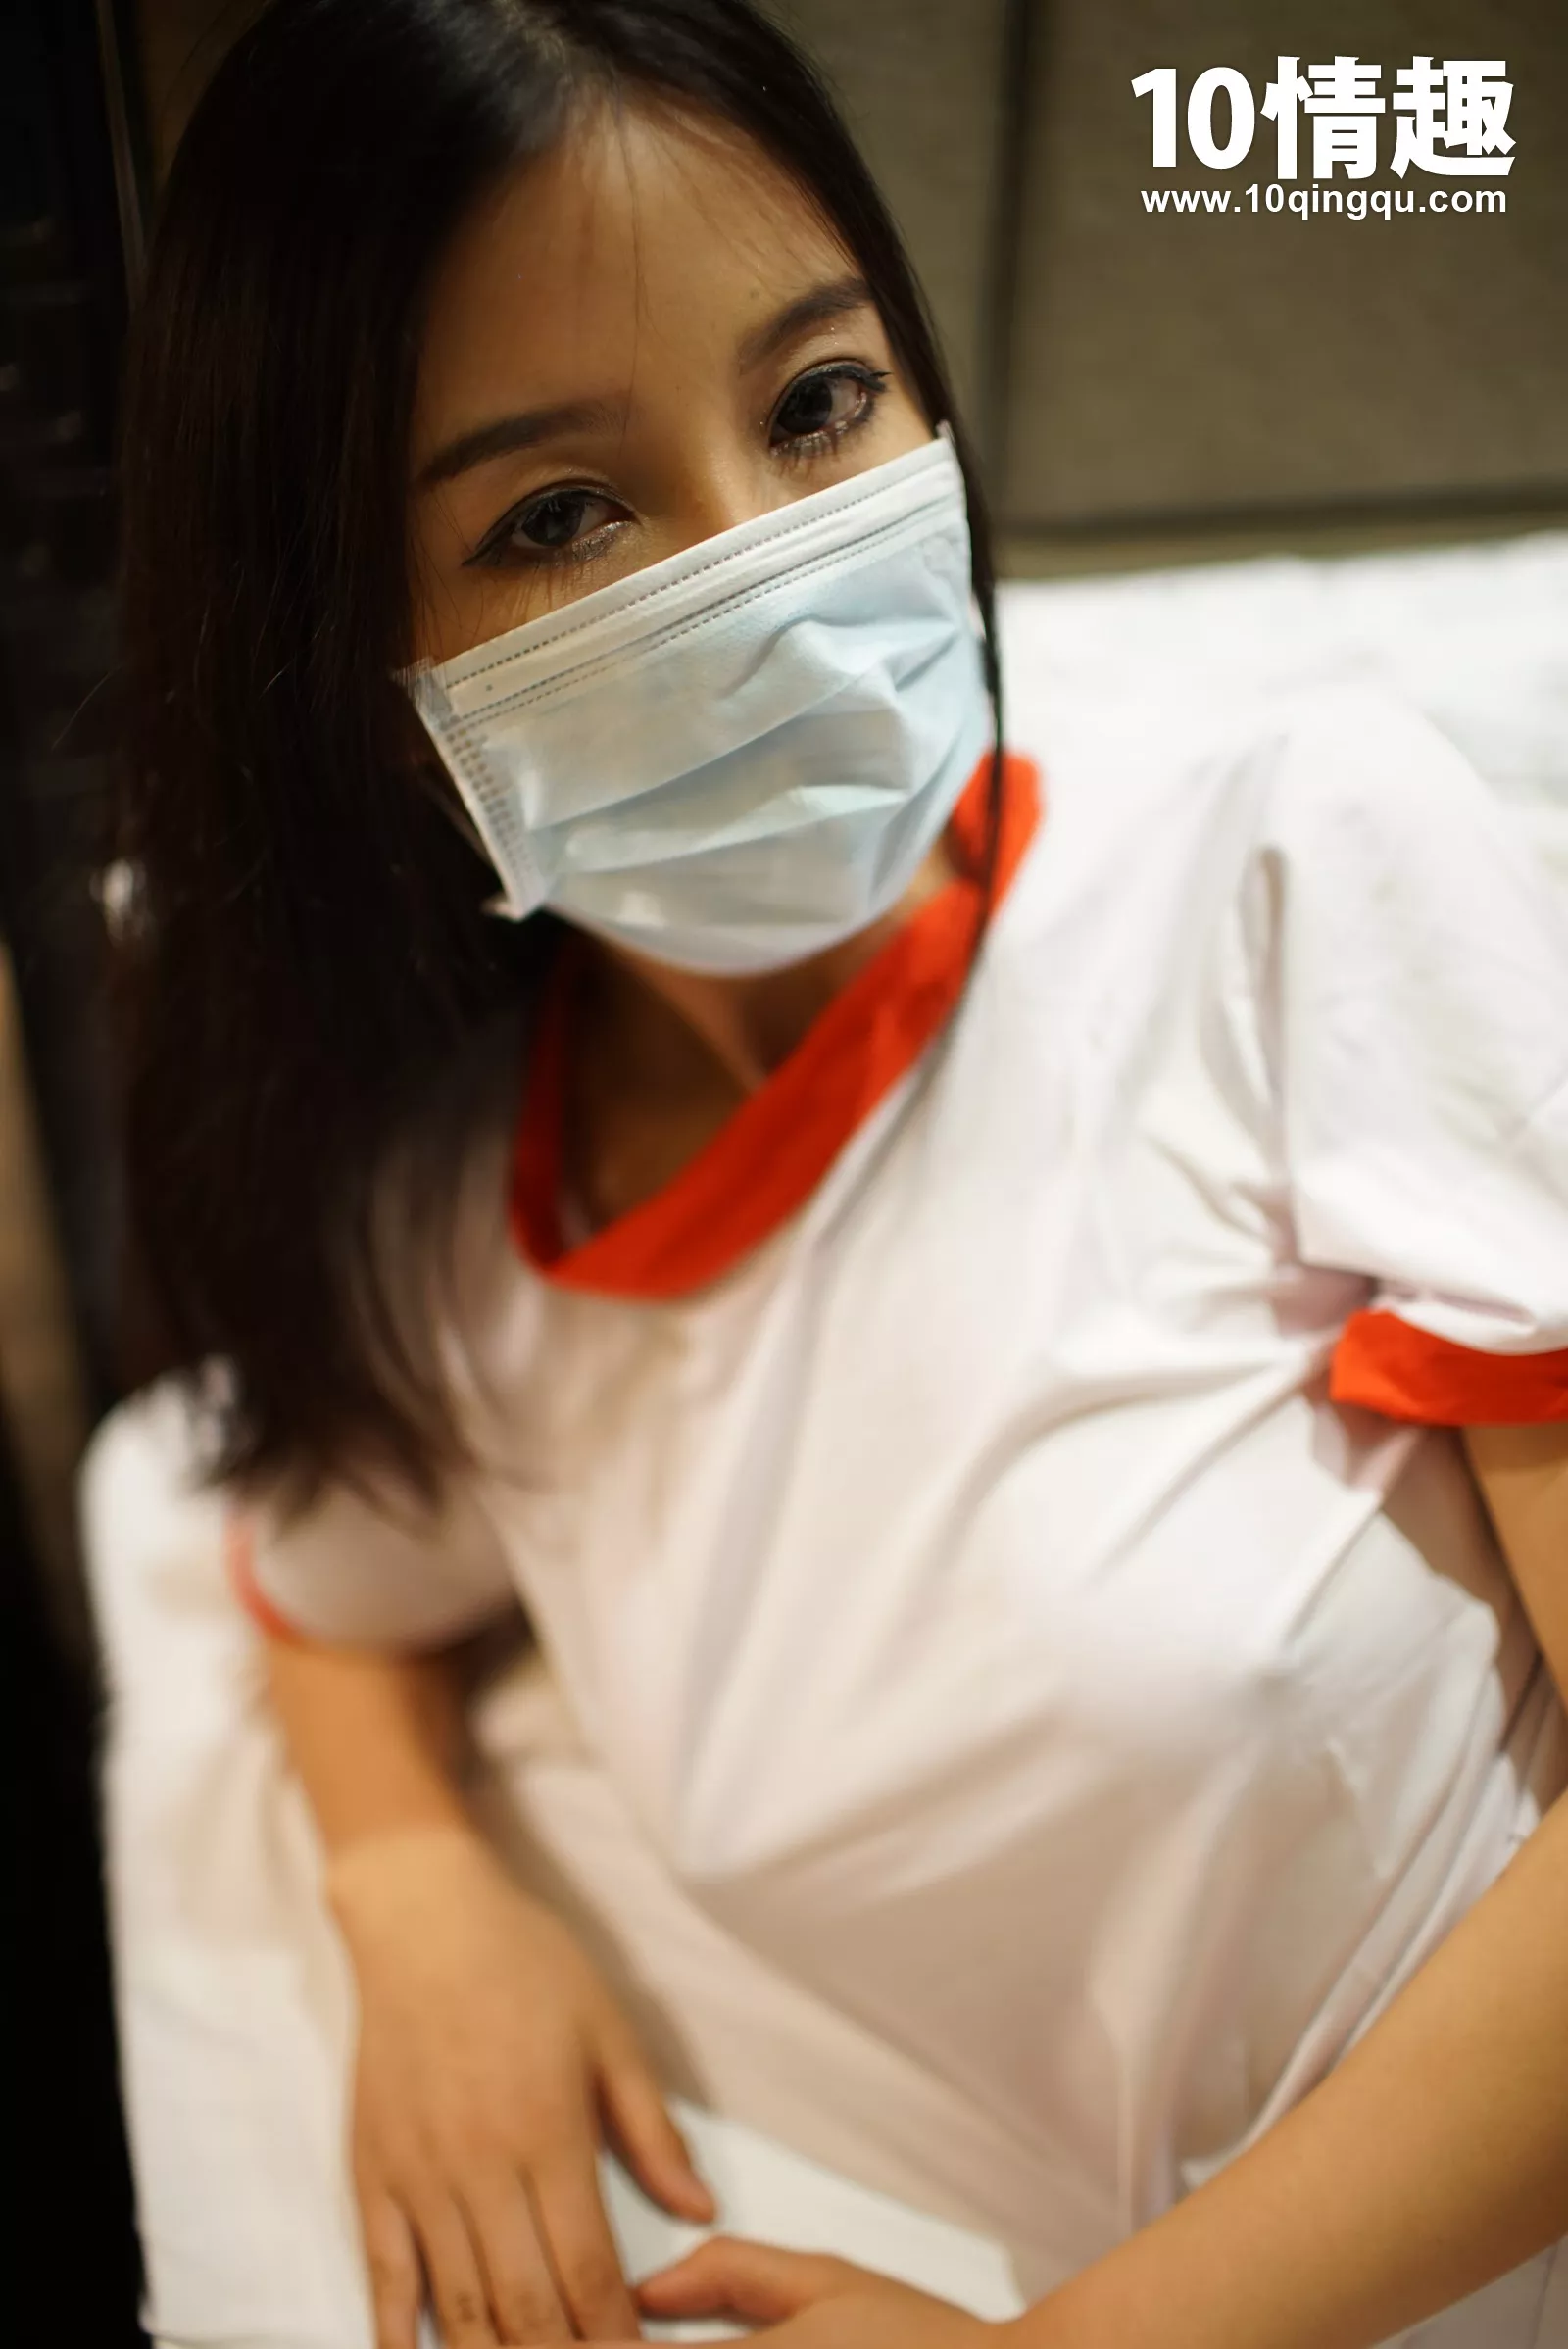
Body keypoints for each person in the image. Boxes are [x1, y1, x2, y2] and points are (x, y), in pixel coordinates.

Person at [109, 3, 1568, 2346]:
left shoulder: (1295, 858)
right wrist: (413, 1893)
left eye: (815, 402)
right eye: (555, 516)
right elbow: (322, 1580)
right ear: (350, 665)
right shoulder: (465, 1236)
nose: (772, 571)